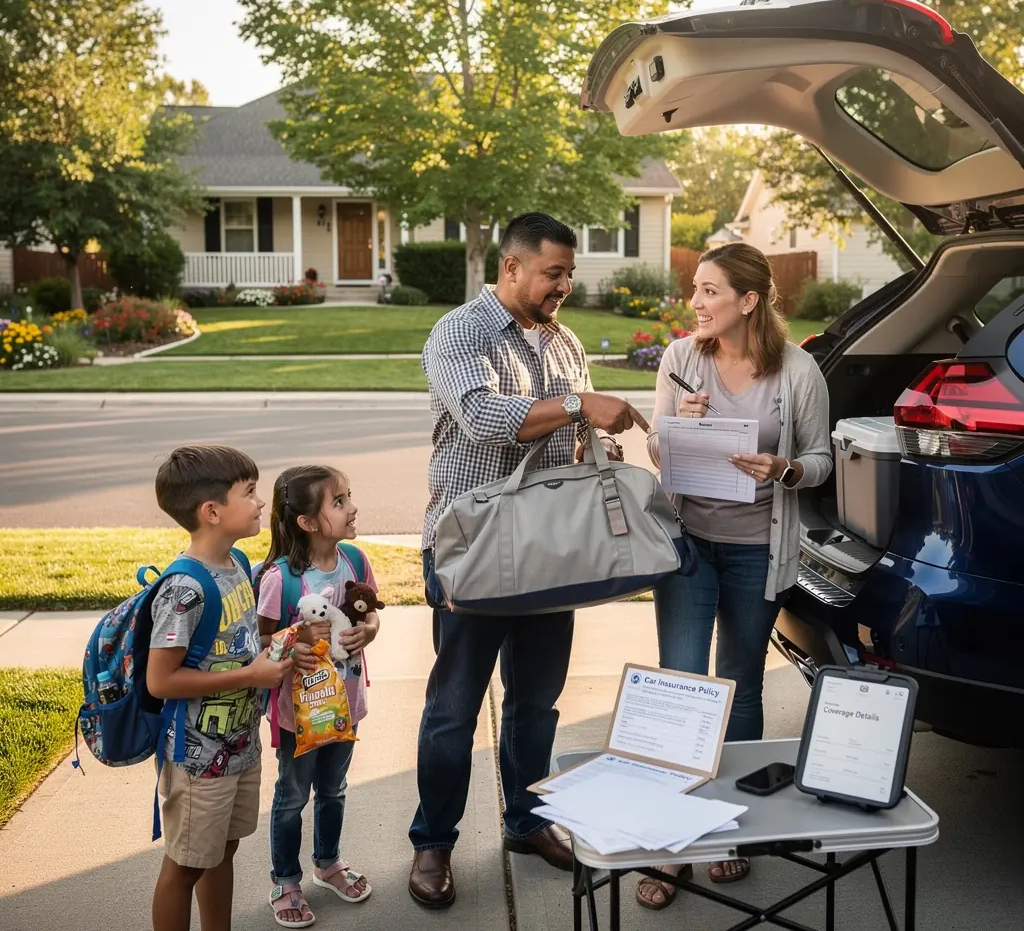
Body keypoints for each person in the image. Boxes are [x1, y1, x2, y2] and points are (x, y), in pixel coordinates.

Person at [408, 211, 650, 909]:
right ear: (511, 267)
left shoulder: (566, 341)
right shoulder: (460, 332)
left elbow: (571, 434)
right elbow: (485, 417)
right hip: (472, 548)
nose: (564, 286)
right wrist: (578, 402)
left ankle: (526, 822)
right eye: (553, 273)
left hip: (550, 552)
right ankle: (433, 842)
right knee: (453, 709)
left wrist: (594, 439)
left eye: (569, 275)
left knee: (537, 701)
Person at [635, 243, 832, 912]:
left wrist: (785, 471)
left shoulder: (798, 372)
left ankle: (724, 831)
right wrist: (672, 429)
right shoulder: (681, 359)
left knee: (740, 683)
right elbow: (655, 446)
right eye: (695, 289)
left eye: (710, 290)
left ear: (748, 301)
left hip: (756, 549)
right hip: (689, 544)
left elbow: (820, 459)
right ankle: (673, 842)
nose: (696, 302)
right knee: (683, 685)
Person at [148, 445, 294, 931]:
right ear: (212, 512)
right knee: (186, 865)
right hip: (196, 758)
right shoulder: (184, 588)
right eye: (249, 493)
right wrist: (250, 676)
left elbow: (239, 643)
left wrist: (286, 641)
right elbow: (161, 680)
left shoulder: (236, 565)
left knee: (221, 852)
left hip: (238, 746)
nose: (259, 502)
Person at [256, 464, 380, 927]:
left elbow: (371, 615)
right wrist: (297, 642)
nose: (352, 508)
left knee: (334, 789)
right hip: (299, 716)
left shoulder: (356, 561)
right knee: (292, 796)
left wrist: (367, 632)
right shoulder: (280, 579)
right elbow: (262, 639)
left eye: (349, 496)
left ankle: (328, 863)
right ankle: (286, 880)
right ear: (307, 522)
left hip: (345, 707)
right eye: (339, 501)